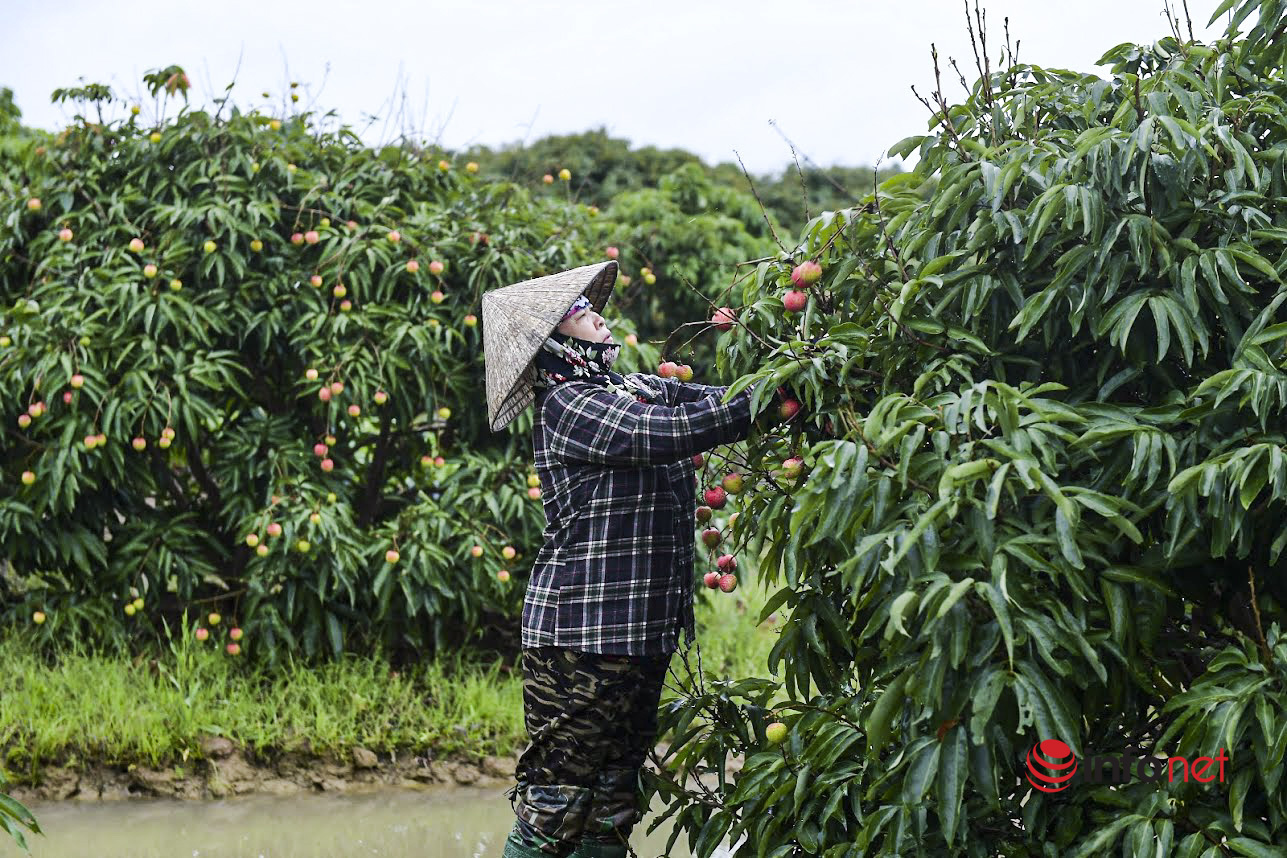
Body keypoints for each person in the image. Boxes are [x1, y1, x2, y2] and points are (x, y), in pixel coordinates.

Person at [481, 261, 785, 858]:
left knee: (614, 798)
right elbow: (674, 430)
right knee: (557, 801)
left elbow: (709, 398)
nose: (595, 314)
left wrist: (787, 383)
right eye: (576, 312)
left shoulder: (630, 387)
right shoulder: (569, 407)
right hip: (580, 637)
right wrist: (778, 391)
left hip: (640, 633)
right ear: (554, 342)